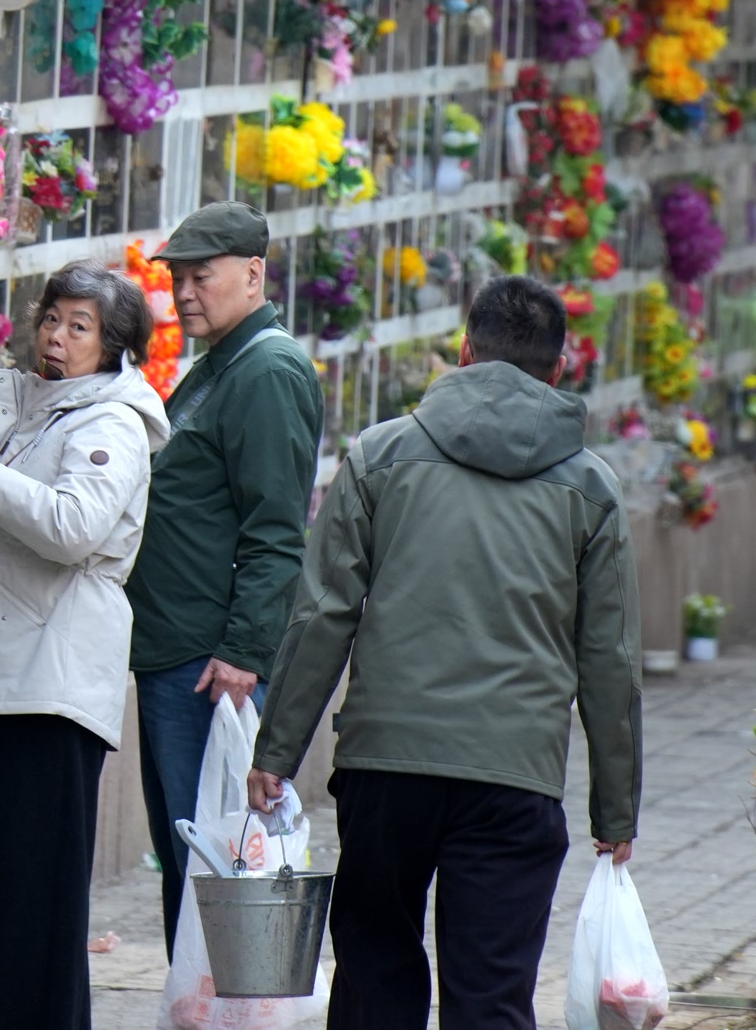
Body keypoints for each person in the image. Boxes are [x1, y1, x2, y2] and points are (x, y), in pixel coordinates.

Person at [248, 275, 643, 1030]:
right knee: (490, 996)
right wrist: (615, 808)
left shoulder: (381, 455)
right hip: (514, 775)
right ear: (559, 369)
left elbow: (322, 613)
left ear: (463, 351)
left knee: (374, 980)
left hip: (386, 766)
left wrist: (277, 751)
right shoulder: (592, 488)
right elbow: (610, 658)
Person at [0, 259, 168, 1030]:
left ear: (113, 345)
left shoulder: (110, 423)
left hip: (51, 687)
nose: (56, 335)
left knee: (35, 914)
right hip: (10, 680)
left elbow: (72, 528)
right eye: (52, 318)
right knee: (2, 906)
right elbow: (11, 536)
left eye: (79, 326)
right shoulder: (44, 412)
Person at [124, 201, 323, 956]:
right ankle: (200, 998)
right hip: (177, 648)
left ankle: (224, 999)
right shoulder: (222, 362)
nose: (184, 294)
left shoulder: (268, 370)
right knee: (191, 857)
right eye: (177, 278)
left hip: (209, 663)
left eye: (200, 277)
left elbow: (275, 531)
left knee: (212, 862)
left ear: (252, 274)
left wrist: (243, 652)